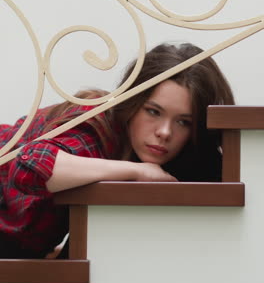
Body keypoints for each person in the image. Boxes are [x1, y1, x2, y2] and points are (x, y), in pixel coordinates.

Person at [0, 42, 234, 258]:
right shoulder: (97, 121)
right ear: (132, 103)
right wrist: (137, 171)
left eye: (184, 122)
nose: (165, 132)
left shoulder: (181, 156)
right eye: (153, 111)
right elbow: (29, 167)